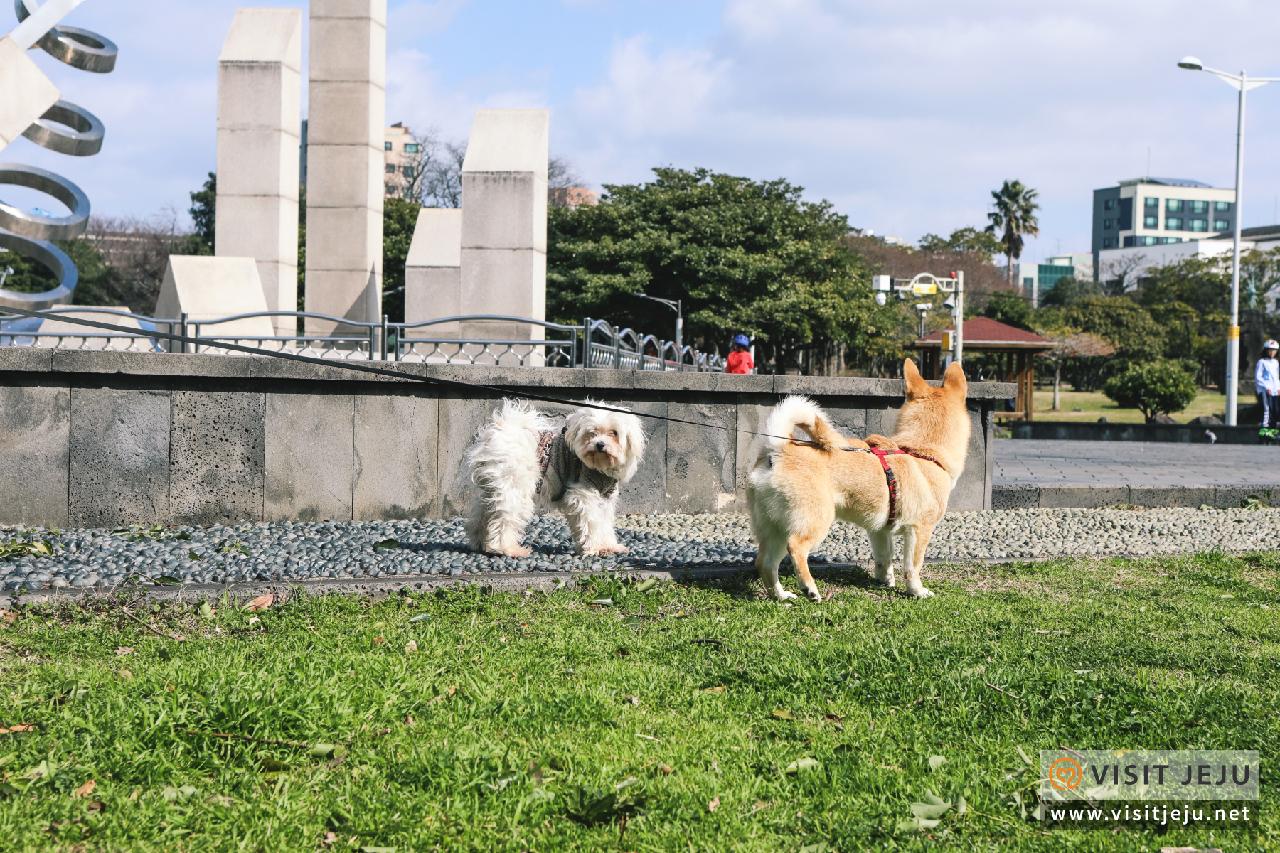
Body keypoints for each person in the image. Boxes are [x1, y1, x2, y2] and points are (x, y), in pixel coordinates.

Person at [1256, 339, 1280, 438]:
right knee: (1267, 409)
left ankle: (1273, 431)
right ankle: (1264, 431)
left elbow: (1276, 377)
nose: (1272, 352)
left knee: (1275, 410)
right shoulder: (1261, 362)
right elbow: (1258, 377)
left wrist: (1278, 388)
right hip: (1265, 390)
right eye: (1270, 350)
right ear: (1266, 350)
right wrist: (1266, 387)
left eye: (1274, 350)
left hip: (1275, 390)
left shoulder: (1276, 363)